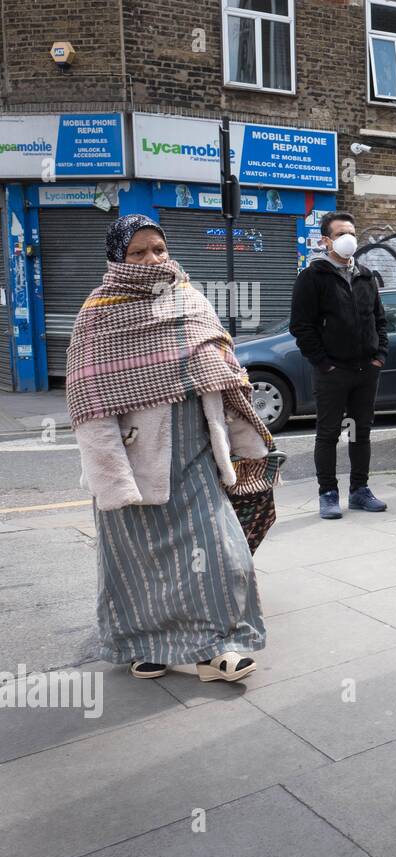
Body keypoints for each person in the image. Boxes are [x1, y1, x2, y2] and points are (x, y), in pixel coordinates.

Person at [68, 215, 274, 682]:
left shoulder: (191, 300)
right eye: (138, 252)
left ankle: (220, 646)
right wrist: (113, 482)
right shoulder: (97, 314)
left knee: (220, 553)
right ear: (118, 258)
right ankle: (149, 644)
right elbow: (90, 402)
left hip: (198, 455)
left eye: (158, 249)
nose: (152, 260)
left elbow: (225, 377)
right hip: (136, 463)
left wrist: (246, 446)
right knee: (142, 565)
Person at [290, 211, 388, 519]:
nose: (349, 238)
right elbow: (301, 327)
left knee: (360, 432)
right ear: (325, 240)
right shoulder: (312, 277)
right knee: (328, 433)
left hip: (365, 370)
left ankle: (359, 490)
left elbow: (379, 319)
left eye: (352, 233)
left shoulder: (366, 276)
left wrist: (378, 356)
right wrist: (324, 363)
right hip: (332, 372)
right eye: (342, 233)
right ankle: (327, 493)